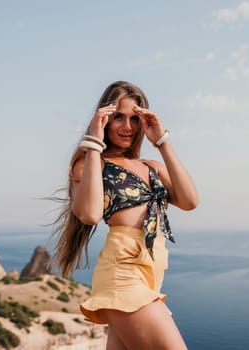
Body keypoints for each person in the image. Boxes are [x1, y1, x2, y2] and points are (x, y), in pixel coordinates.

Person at [52, 81, 199, 350]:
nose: (127, 126)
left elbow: (190, 201)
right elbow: (90, 213)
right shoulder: (90, 164)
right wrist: (94, 143)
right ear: (104, 118)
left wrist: (162, 141)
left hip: (150, 276)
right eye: (118, 116)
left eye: (135, 118)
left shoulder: (151, 166)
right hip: (122, 274)